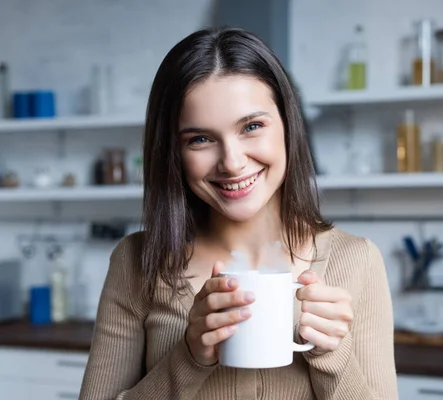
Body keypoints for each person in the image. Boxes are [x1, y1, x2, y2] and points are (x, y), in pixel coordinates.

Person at [79, 27, 398, 400]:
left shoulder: (357, 261)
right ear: (174, 153)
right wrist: (190, 357)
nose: (232, 163)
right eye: (200, 139)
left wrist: (333, 355)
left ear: (288, 126)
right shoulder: (136, 262)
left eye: (252, 126)